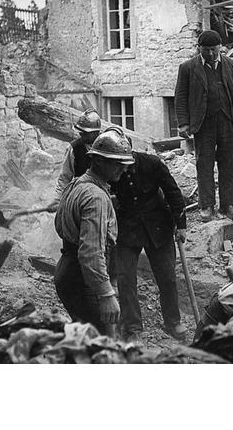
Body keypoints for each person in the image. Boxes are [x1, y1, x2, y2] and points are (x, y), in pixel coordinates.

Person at [54, 127, 134, 334]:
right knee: (102, 345)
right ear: (98, 160)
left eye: (124, 163)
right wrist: (106, 294)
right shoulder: (95, 197)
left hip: (69, 272)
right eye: (117, 163)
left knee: (88, 341)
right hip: (84, 280)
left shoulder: (77, 184)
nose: (122, 169)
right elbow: (91, 252)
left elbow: (60, 225)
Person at [175, 29, 233, 223]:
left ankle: (229, 204)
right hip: (203, 123)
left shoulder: (232, 65)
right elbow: (181, 96)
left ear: (220, 48)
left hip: (228, 120)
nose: (210, 54)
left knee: (230, 162)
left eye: (213, 49)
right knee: (204, 163)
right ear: (199, 48)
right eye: (206, 50)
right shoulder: (187, 68)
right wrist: (184, 123)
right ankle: (207, 205)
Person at [111, 149, 188, 341]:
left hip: (158, 225)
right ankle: (133, 326)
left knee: (167, 277)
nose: (123, 168)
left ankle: (173, 321)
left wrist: (181, 225)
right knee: (125, 278)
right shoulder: (109, 166)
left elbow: (173, 192)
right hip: (127, 228)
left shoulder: (152, 163)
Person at [48, 109, 102, 211]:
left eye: (85, 133)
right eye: (81, 132)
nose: (82, 135)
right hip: (83, 198)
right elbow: (64, 178)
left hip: (106, 196)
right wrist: (58, 199)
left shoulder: (108, 145)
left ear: (96, 132)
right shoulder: (74, 148)